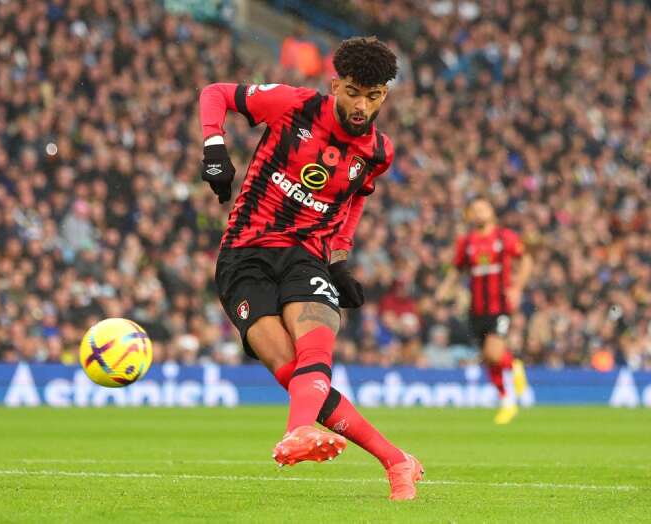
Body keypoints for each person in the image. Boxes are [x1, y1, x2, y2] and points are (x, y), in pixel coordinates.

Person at [199, 36, 422, 500]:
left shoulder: (379, 153)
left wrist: (338, 259)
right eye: (354, 92)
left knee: (315, 353)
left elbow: (357, 199)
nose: (363, 105)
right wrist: (215, 147)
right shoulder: (291, 105)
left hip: (306, 256)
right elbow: (215, 93)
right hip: (245, 254)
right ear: (335, 83)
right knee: (289, 368)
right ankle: (396, 460)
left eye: (375, 95)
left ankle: (298, 432)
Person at [437, 198, 533, 424]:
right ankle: (507, 402)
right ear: (470, 215)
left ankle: (514, 365)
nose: (479, 213)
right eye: (475, 210)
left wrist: (518, 287)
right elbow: (456, 270)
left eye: (483, 208)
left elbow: (526, 259)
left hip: (500, 306)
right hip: (476, 309)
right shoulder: (467, 242)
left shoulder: (504, 237)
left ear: (492, 212)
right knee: (489, 359)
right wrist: (444, 289)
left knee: (493, 353)